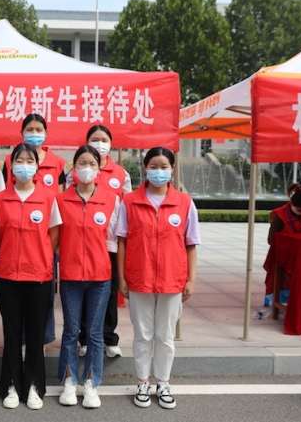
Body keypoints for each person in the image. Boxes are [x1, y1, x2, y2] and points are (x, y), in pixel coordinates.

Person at [116, 147, 200, 410]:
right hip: (138, 278)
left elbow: (191, 243)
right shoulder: (129, 201)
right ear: (145, 167)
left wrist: (191, 279)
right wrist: (122, 278)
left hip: (172, 280)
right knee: (142, 335)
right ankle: (143, 381)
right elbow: (122, 242)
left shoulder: (184, 202)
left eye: (164, 167)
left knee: (165, 336)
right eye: (153, 166)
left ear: (172, 169)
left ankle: (163, 382)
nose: (159, 171)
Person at [0, 143, 62, 410]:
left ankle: (33, 384)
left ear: (37, 166)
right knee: (11, 333)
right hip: (8, 274)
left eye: (29, 160)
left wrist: (39, 255)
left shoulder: (48, 198)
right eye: (19, 160)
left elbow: (53, 235)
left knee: (35, 334)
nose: (24, 165)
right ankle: (11, 384)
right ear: (11, 165)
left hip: (39, 276)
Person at [56, 145, 119, 409]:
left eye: (92, 164)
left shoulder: (111, 199)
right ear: (74, 167)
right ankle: (70, 381)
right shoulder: (60, 200)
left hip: (100, 278)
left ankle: (91, 383)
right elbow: (55, 241)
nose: (87, 168)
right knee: (71, 331)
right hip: (70, 276)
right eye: (82, 163)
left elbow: (114, 241)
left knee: (94, 333)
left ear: (99, 168)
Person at [66, 125, 132, 359]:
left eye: (104, 140)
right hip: (81, 244)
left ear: (111, 144)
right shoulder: (74, 172)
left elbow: (126, 207)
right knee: (83, 294)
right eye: (95, 139)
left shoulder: (121, 173)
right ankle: (85, 339)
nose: (99, 144)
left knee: (109, 294)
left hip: (109, 245)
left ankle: (109, 337)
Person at [2, 113, 66, 350]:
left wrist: (45, 248)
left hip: (43, 243)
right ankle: (19, 345)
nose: (34, 133)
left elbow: (59, 204)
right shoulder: (8, 161)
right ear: (22, 132)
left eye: (39, 129)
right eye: (30, 129)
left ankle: (40, 341)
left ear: (46, 133)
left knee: (43, 300)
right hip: (15, 243)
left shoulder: (58, 163)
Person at [263, 183, 301, 295]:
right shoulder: (279, 215)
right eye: (300, 210)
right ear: (292, 203)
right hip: (283, 256)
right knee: (282, 282)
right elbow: (271, 239)